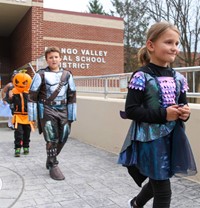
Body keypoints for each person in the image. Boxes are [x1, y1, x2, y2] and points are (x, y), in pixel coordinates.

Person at [118, 21, 197, 208]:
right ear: (151, 45)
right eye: (169, 42)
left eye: (177, 44)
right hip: (150, 140)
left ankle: (136, 203)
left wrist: (185, 113)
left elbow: (182, 105)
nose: (174, 48)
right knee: (163, 190)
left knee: (159, 179)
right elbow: (131, 110)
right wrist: (164, 115)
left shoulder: (179, 78)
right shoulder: (141, 76)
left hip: (173, 137)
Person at [28, 46, 77, 180]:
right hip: (47, 109)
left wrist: (72, 114)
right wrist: (32, 116)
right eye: (50, 57)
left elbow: (72, 95)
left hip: (63, 109)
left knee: (64, 136)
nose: (53, 59)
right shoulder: (40, 74)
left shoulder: (67, 74)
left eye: (56, 57)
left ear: (60, 58)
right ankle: (53, 164)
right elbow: (32, 95)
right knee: (51, 138)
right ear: (47, 60)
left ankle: (50, 157)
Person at [8, 71, 33, 157]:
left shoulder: (30, 92)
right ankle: (17, 148)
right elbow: (10, 101)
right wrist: (10, 96)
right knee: (18, 133)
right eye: (18, 82)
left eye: (24, 82)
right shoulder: (13, 92)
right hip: (17, 116)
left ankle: (26, 146)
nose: (21, 84)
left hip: (27, 116)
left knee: (27, 132)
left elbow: (34, 103)